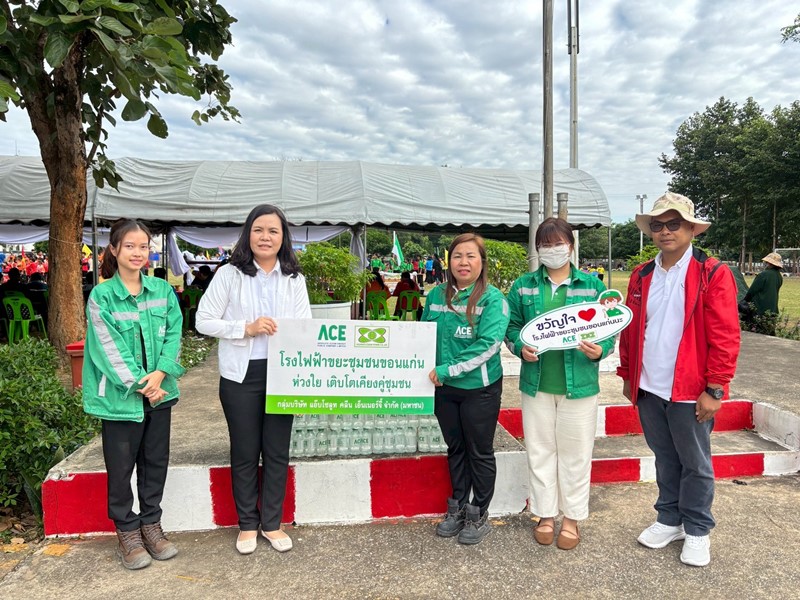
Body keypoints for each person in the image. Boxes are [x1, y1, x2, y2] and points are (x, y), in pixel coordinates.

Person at [617, 192, 740, 567]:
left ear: (691, 229)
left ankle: (698, 529)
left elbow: (725, 334)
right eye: (658, 225)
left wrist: (715, 387)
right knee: (665, 458)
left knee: (696, 464)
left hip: (690, 389)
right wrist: (628, 374)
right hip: (649, 386)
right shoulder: (642, 274)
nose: (665, 231)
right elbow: (631, 329)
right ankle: (670, 519)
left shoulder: (711, 272)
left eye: (674, 224)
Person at [196, 204, 311, 555]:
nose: (265, 237)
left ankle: (272, 523)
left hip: (282, 374)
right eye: (259, 230)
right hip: (240, 375)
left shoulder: (294, 279)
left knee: (276, 451)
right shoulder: (229, 275)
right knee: (245, 451)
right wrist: (244, 328)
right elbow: (203, 320)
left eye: (273, 231)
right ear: (248, 234)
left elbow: (305, 326)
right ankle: (247, 523)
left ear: (283, 237)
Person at [506, 217, 614, 551]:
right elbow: (511, 326)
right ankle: (545, 515)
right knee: (540, 451)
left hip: (579, 385)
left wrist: (600, 350)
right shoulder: (523, 286)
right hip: (536, 384)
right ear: (537, 249)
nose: (552, 250)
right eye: (545, 244)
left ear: (571, 246)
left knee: (576, 454)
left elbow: (609, 329)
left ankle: (571, 519)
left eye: (558, 244)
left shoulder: (592, 287)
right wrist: (519, 348)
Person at [82, 219, 185, 570]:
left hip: (160, 393)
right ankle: (127, 531)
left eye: (143, 246)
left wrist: (161, 374)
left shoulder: (162, 291)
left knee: (155, 463)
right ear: (114, 249)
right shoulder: (102, 297)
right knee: (121, 467)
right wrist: (144, 382)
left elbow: (174, 333)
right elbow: (108, 349)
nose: (138, 253)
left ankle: (151, 525)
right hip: (121, 398)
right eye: (129, 246)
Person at [421, 233, 510, 545]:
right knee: (455, 448)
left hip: (479, 389)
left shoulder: (493, 300)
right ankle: (458, 506)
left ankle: (479, 512)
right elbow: (421, 336)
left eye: (471, 256)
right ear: (449, 261)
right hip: (444, 389)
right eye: (457, 256)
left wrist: (447, 369)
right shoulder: (436, 295)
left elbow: (488, 346)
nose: (463, 262)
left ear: (481, 262)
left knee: (479, 451)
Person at [742, 252, 783, 334]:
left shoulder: (763, 275)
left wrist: (744, 300)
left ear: (770, 263)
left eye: (767, 262)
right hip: (773, 308)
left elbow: (752, 291)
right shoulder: (779, 276)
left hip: (760, 308)